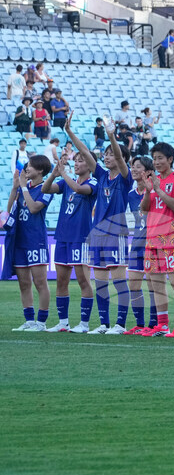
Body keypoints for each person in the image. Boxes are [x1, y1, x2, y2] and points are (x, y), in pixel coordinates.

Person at [41, 134, 97, 333]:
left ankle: (84, 324)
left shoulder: (93, 183)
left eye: (81, 160)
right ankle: (63, 322)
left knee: (83, 280)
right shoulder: (66, 182)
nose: (77, 163)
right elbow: (46, 190)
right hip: (63, 236)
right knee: (61, 281)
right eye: (76, 160)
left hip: (80, 238)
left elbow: (78, 188)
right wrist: (54, 174)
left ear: (90, 165)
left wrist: (63, 173)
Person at [85, 117, 133, 335]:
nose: (106, 156)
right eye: (105, 153)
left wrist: (112, 135)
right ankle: (104, 324)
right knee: (101, 281)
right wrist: (68, 132)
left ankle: (120, 324)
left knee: (119, 281)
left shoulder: (125, 178)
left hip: (117, 233)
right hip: (98, 234)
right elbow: (86, 154)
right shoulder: (102, 175)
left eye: (110, 153)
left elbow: (121, 159)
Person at [140, 142, 174, 338]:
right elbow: (145, 209)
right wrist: (147, 190)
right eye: (154, 158)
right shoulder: (153, 180)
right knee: (156, 285)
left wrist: (159, 190)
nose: (157, 162)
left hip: (172, 238)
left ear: (170, 159)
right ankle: (162, 325)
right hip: (152, 239)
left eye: (160, 158)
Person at [7, 156, 54, 331]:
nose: (26, 169)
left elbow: (34, 208)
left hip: (36, 240)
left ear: (40, 170)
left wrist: (24, 188)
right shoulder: (24, 188)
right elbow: (10, 208)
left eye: (30, 166)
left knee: (40, 281)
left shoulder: (46, 188)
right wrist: (15, 188)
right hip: (20, 240)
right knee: (23, 282)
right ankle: (29, 320)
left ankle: (41, 322)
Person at [122, 156, 158, 335]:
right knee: (134, 285)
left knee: (153, 286)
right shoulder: (130, 194)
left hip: (152, 243)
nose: (133, 169)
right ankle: (139, 323)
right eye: (132, 167)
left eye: (138, 167)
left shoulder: (156, 190)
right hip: (137, 242)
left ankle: (153, 324)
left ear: (148, 171)